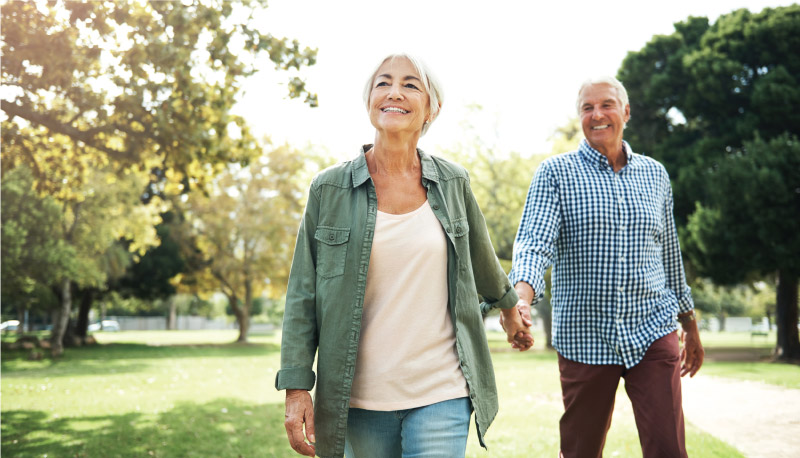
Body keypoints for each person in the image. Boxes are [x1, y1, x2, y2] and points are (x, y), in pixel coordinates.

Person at [276, 53, 534, 458]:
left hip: (442, 390)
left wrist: (509, 308)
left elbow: (481, 260)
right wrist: (296, 389)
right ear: (370, 101)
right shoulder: (328, 189)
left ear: (432, 107)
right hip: (357, 399)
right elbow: (302, 297)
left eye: (411, 84)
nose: (394, 92)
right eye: (384, 83)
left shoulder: (453, 182)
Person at [508, 76, 704, 458]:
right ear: (580, 117)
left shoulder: (655, 175)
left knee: (668, 448)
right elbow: (534, 242)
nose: (597, 115)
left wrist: (690, 324)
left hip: (653, 327)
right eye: (587, 108)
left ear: (626, 112)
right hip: (585, 335)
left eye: (607, 105)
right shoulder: (556, 173)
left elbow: (670, 256)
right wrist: (521, 296)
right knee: (582, 450)